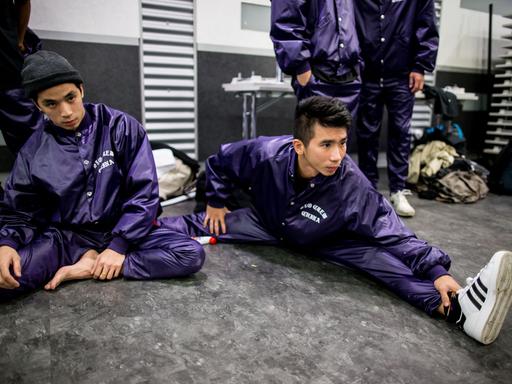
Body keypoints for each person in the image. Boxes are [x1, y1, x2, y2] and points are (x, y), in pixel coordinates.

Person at [164, 96, 512, 344]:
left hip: (327, 236)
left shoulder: (351, 183)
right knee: (200, 224)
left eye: (343, 143)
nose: (337, 155)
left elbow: (393, 232)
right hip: (268, 220)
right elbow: (221, 160)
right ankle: (124, 233)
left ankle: (460, 310)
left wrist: (437, 272)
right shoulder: (266, 153)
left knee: (382, 260)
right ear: (299, 146)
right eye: (326, 144)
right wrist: (216, 201)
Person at [0, 51, 205, 300]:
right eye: (51, 104)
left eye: (70, 98)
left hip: (122, 229)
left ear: (81, 90)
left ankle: (91, 266)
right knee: (7, 279)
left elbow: (144, 194)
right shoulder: (32, 150)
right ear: (37, 105)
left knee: (190, 254)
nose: (66, 112)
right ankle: (93, 259)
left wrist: (118, 248)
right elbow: (19, 210)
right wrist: (7, 244)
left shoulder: (121, 127)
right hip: (67, 238)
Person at [354, 0, 439, 217]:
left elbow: (426, 26)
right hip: (367, 74)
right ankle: (367, 189)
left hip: (401, 75)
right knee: (367, 132)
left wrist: (420, 66)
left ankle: (398, 190)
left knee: (400, 132)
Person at [270, 0, 361, 116]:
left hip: (350, 77)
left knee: (345, 133)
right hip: (316, 76)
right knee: (316, 132)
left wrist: (358, 66)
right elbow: (286, 19)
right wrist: (302, 68)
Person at [0, 0, 43, 156]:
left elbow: (23, 2)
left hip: (6, 58)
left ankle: (42, 176)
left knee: (27, 129)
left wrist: (19, 40)